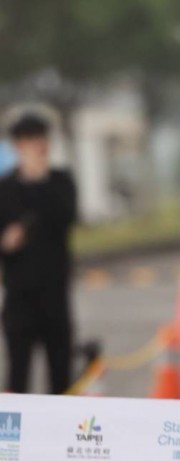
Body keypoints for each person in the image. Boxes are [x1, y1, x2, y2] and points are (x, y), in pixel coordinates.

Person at [0, 111, 77, 394]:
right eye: (32, 139)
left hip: (55, 293)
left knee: (61, 374)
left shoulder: (60, 182)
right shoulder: (5, 188)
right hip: (19, 296)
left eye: (43, 138)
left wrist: (41, 180)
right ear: (19, 145)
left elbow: (67, 216)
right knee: (18, 373)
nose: (39, 146)